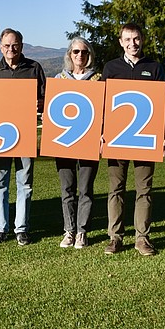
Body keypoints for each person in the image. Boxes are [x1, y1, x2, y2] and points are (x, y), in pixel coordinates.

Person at [99, 23, 165, 256]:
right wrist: (100, 131)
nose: (132, 43)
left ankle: (142, 238)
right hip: (116, 139)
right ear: (121, 42)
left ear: (142, 39)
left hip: (145, 139)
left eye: (136, 38)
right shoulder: (111, 67)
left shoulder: (155, 67)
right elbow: (102, 102)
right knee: (115, 189)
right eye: (127, 39)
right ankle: (115, 237)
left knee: (143, 189)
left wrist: (164, 132)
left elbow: (164, 104)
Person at [0, 28, 46, 246]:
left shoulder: (34, 68)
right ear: (1, 47)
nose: (11, 49)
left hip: (25, 134)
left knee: (25, 182)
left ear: (22, 45)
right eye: (7, 45)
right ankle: (0, 228)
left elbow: (45, 99)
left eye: (15, 44)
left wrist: (38, 104)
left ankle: (21, 228)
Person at [53, 38, 101, 250]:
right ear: (69, 55)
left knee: (86, 188)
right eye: (75, 52)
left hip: (89, 141)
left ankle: (82, 231)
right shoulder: (59, 79)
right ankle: (69, 230)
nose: (80, 55)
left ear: (89, 54)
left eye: (83, 52)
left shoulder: (99, 80)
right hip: (64, 142)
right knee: (67, 188)